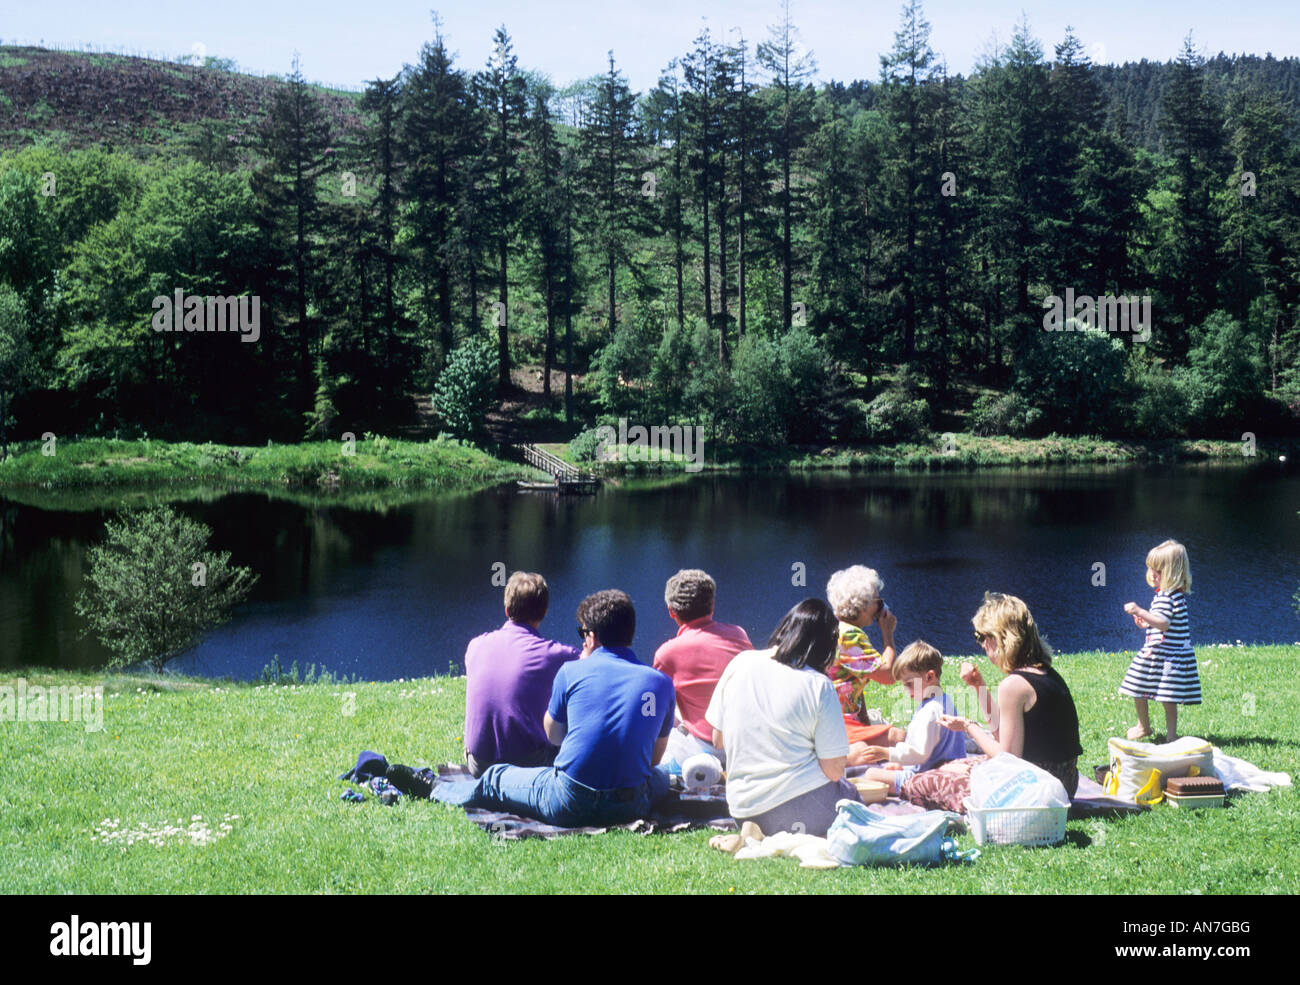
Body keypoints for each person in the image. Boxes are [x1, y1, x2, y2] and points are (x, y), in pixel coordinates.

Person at [433, 590, 676, 827]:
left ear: (592, 637)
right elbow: (653, 759)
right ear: (630, 634)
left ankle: (434, 788)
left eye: (582, 633)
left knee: (496, 778)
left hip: (568, 802)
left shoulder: (571, 672)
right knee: (662, 776)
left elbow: (554, 736)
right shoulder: (661, 683)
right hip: (631, 805)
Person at [905, 593, 1082, 811]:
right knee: (956, 766)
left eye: (981, 637)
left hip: (1034, 791)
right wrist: (978, 686)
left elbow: (1007, 759)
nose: (981, 645)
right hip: (1064, 784)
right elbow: (1004, 740)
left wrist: (970, 727)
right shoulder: (1045, 673)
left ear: (999, 639)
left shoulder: (1013, 685)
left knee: (920, 783)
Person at [705, 598, 861, 838]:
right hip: (799, 808)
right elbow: (833, 770)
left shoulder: (740, 662)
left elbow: (719, 740)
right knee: (851, 797)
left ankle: (757, 831)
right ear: (825, 646)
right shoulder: (818, 684)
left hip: (741, 807)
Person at [461, 571, 581, 777]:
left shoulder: (475, 645)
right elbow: (595, 665)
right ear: (544, 612)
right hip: (524, 769)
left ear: (507, 610)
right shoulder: (555, 655)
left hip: (478, 764)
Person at [653, 569, 752, 769]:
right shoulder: (738, 635)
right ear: (712, 605)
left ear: (671, 611)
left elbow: (655, 710)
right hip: (746, 743)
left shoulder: (667, 653)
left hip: (705, 746)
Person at [852, 641, 967, 793]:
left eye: (910, 684)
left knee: (871, 774)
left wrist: (887, 753)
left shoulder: (931, 711)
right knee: (888, 769)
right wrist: (901, 764)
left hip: (927, 777)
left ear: (929, 677)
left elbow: (919, 753)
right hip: (946, 770)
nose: (907, 691)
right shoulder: (944, 700)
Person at [1118, 540, 1198, 741]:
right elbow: (1161, 624)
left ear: (1172, 572)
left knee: (1168, 698)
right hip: (1158, 654)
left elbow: (1163, 623)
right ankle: (1143, 726)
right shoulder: (1168, 595)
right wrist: (1145, 622)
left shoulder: (1168, 597)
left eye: (1158, 570)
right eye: (1151, 568)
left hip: (1170, 657)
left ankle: (1171, 736)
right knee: (1137, 685)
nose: (1152, 573)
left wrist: (1140, 611)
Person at [825, 565, 907, 755]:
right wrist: (888, 634)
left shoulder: (836, 628)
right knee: (900, 738)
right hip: (837, 723)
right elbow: (888, 675)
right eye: (878, 602)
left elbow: (855, 686)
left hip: (835, 719)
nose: (882, 606)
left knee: (894, 739)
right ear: (862, 607)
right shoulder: (851, 635)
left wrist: (866, 725)